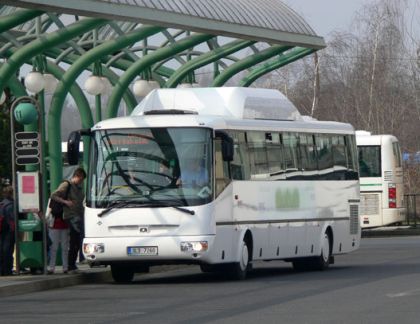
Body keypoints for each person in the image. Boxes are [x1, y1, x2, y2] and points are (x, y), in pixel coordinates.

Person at [51, 167, 86, 273]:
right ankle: (71, 265)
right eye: (81, 179)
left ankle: (72, 264)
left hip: (78, 215)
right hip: (70, 215)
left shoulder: (79, 188)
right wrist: (66, 202)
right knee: (75, 239)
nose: (81, 181)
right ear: (77, 176)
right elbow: (53, 195)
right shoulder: (67, 184)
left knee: (76, 240)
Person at [0, 186, 15, 276]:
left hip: (1, 230)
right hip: (9, 230)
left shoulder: (1, 204)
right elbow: (12, 218)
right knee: (8, 250)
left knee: (1, 250)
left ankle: (1, 270)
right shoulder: (11, 205)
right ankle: (7, 270)